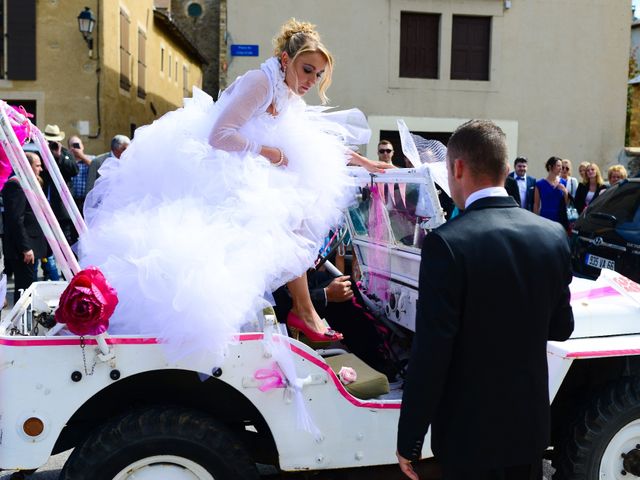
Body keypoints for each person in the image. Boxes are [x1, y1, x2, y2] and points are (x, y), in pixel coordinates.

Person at [79, 19, 392, 359]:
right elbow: (219, 136)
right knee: (276, 219)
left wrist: (363, 162)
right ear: (285, 60)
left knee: (293, 217)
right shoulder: (261, 82)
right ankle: (303, 311)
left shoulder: (286, 93)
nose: (311, 81)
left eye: (317, 75)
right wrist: (270, 154)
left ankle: (303, 311)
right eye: (307, 70)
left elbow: (311, 142)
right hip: (215, 167)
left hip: (246, 165)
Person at [396, 119, 574, 480]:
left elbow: (432, 352)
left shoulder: (446, 243)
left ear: (457, 168)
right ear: (506, 169)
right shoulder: (552, 234)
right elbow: (561, 326)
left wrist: (410, 438)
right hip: (529, 425)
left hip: (468, 432)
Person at [2, 152, 48, 304]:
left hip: (32, 246)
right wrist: (25, 248)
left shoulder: (29, 182)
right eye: (38, 165)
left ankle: (27, 323)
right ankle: (22, 325)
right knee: (25, 291)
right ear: (27, 166)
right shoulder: (15, 185)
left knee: (30, 288)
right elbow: (16, 220)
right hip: (23, 249)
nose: (41, 169)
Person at [42, 124, 79, 245]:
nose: (53, 143)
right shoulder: (40, 152)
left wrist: (59, 156)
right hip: (45, 199)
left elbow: (74, 170)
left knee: (65, 236)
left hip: (61, 204)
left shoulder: (65, 153)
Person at [533, 156, 568, 224]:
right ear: (550, 167)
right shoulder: (539, 184)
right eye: (558, 166)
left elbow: (565, 203)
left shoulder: (563, 182)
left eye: (561, 166)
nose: (561, 168)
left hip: (560, 218)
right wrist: (535, 221)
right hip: (545, 218)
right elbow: (536, 205)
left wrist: (565, 192)